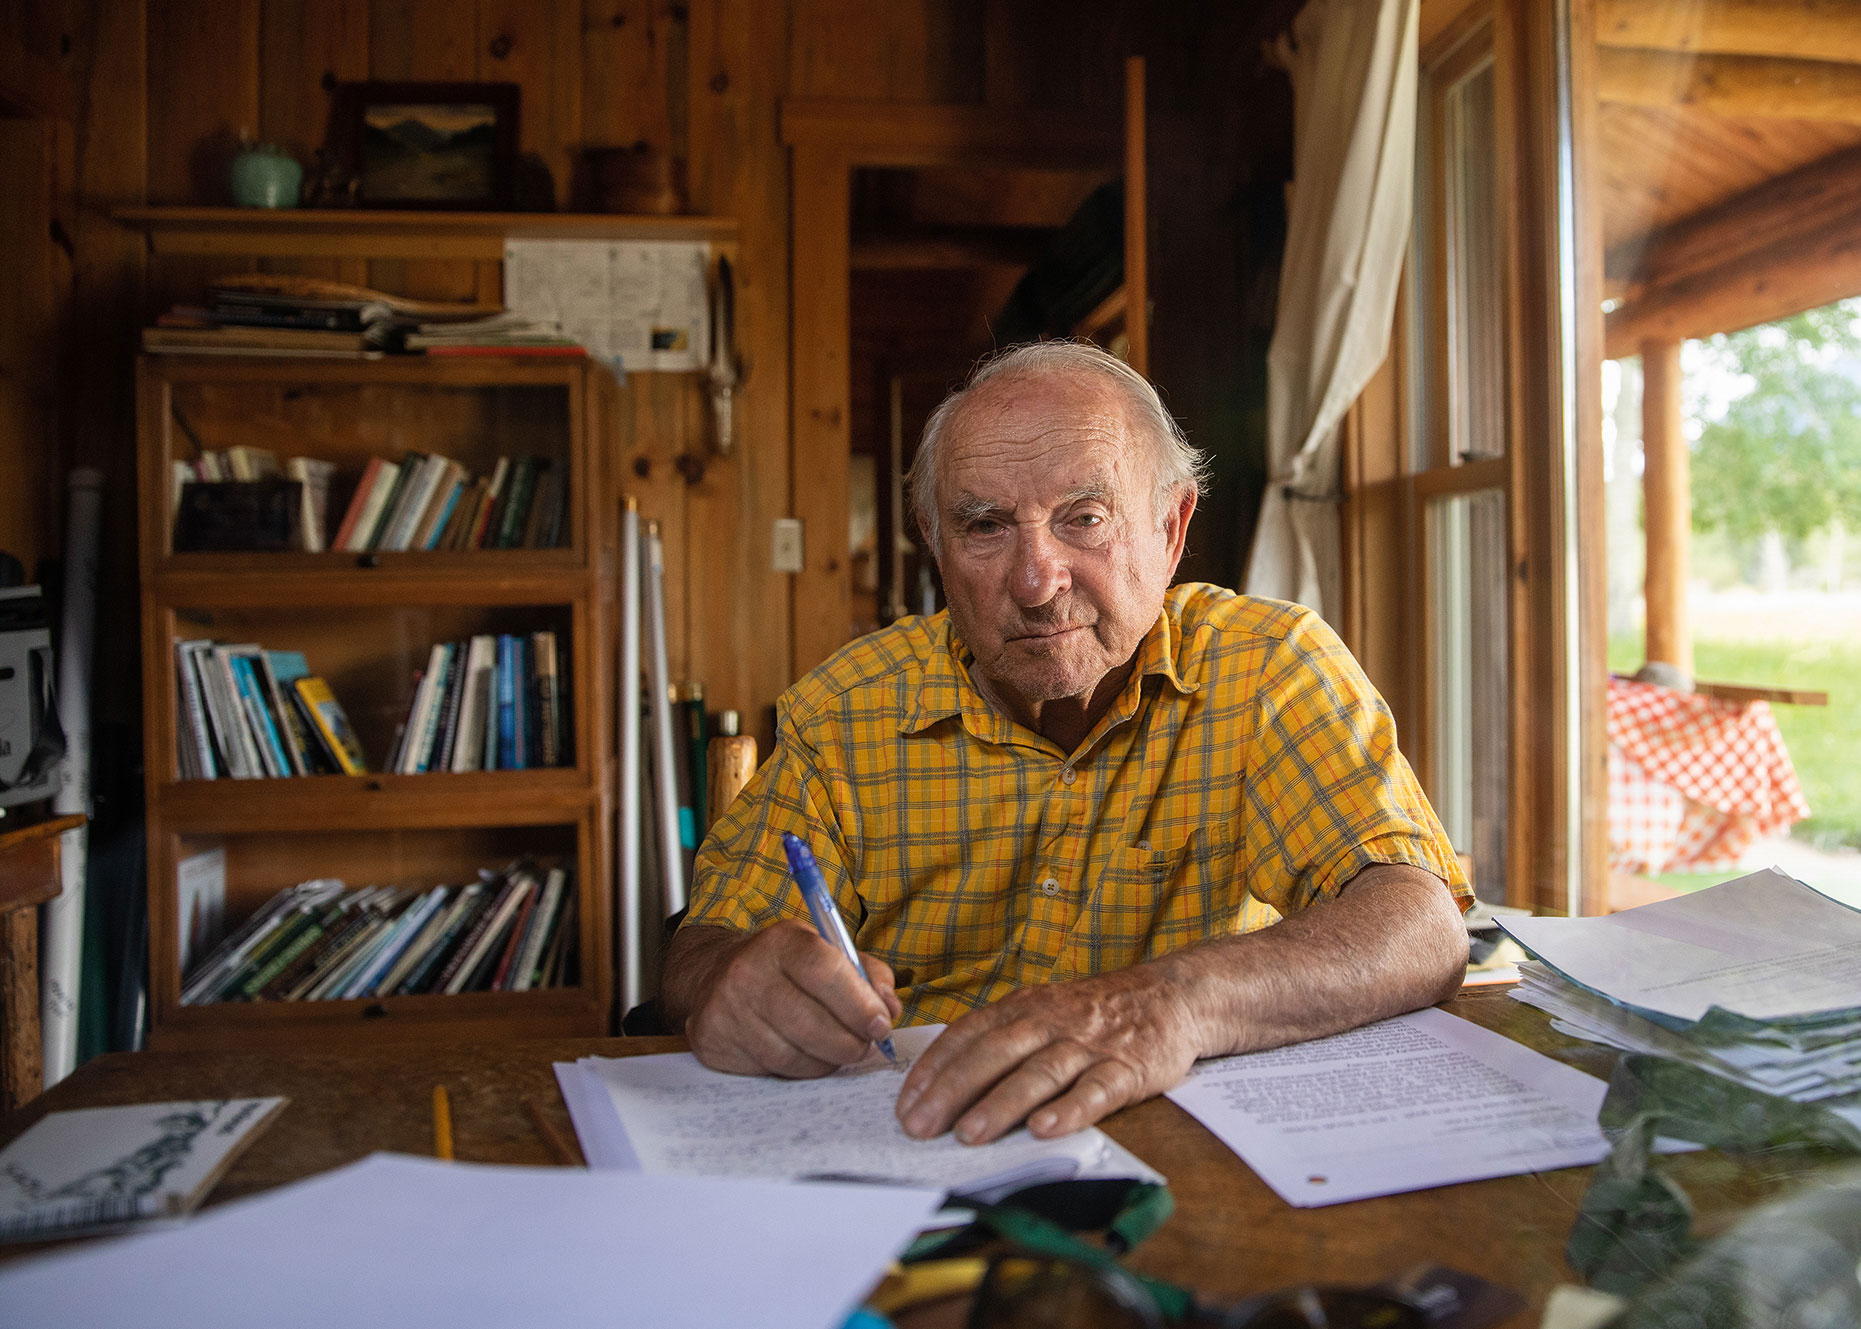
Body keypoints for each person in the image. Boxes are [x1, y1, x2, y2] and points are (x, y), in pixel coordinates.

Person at [660, 340, 1471, 1148]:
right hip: (907, 1147)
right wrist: (729, 982)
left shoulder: (1267, 670)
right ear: (933, 545)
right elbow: (704, 947)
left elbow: (1418, 926)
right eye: (983, 526)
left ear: (1170, 526)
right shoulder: (845, 713)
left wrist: (1166, 1003)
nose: (1037, 580)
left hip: (1186, 1150)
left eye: (1083, 518)